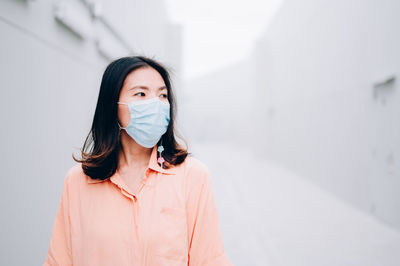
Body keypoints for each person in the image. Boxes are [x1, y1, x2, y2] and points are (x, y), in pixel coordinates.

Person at [43, 56, 233, 266]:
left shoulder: (193, 177)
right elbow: (59, 260)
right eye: (141, 93)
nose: (156, 104)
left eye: (163, 95)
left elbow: (210, 259)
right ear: (113, 104)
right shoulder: (78, 181)